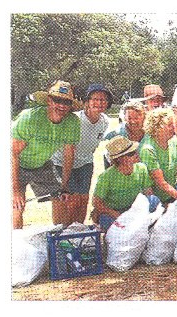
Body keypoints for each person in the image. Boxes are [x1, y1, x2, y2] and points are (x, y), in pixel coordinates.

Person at [11, 80, 81, 229]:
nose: (61, 105)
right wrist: (16, 190)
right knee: (16, 205)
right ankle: (15, 247)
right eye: (57, 100)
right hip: (15, 164)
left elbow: (68, 155)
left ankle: (58, 240)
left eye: (66, 102)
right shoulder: (30, 118)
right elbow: (13, 154)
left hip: (41, 165)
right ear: (49, 100)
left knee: (61, 198)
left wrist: (64, 185)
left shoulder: (72, 122)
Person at [50, 83, 112, 224]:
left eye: (103, 100)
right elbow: (68, 151)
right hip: (61, 162)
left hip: (85, 163)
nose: (99, 103)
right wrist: (64, 183)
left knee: (83, 200)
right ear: (87, 102)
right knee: (67, 201)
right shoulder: (75, 120)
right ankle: (60, 234)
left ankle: (79, 231)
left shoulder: (105, 122)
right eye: (95, 99)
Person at [92, 136, 154, 231]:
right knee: (106, 220)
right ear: (119, 159)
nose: (136, 154)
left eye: (135, 151)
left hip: (133, 209)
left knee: (154, 200)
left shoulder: (141, 168)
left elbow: (148, 193)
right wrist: (118, 215)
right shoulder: (106, 176)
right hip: (114, 212)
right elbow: (97, 203)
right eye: (131, 153)